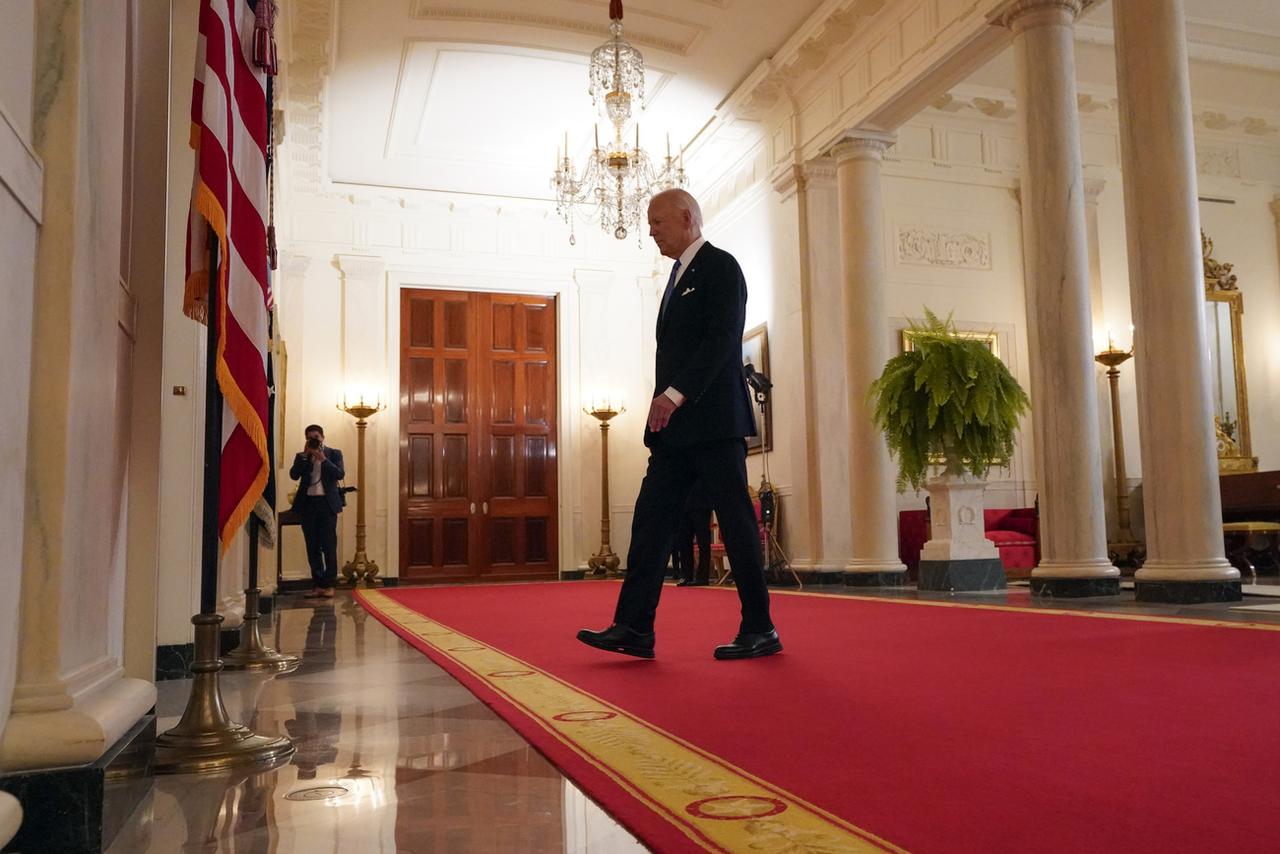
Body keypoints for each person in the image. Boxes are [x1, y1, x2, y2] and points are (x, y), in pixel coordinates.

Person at [577, 189, 781, 660]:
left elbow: (721, 340)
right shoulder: (674, 276)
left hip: (713, 425)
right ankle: (633, 628)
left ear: (687, 217)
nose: (650, 230)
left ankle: (760, 627)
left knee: (735, 524)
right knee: (650, 524)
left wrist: (672, 395)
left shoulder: (721, 266)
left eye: (657, 221)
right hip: (674, 435)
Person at [289, 424, 345, 598]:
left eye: (316, 437)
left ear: (322, 437)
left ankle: (330, 584)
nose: (314, 440)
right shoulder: (302, 456)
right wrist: (306, 456)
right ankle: (318, 584)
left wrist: (323, 460)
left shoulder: (334, 453)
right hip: (308, 504)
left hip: (327, 505)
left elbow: (339, 474)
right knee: (312, 545)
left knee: (329, 545)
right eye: (310, 438)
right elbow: (294, 475)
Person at [672, 480, 713, 587]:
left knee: (703, 542)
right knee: (684, 542)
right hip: (684, 505)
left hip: (702, 505)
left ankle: (703, 577)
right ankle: (686, 575)